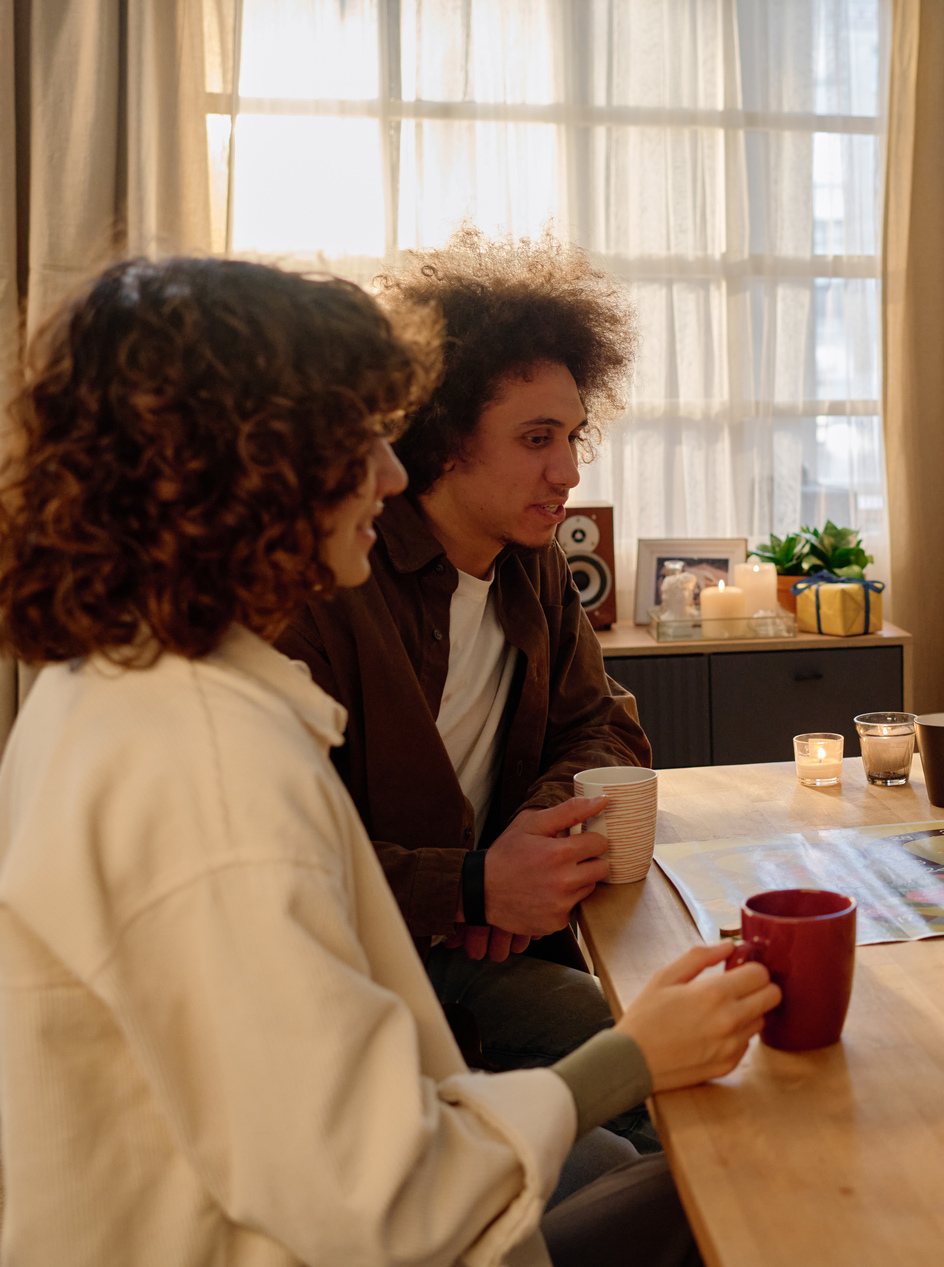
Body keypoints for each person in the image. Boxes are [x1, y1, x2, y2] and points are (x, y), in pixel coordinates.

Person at [0, 256, 778, 1264]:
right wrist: (630, 1054)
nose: (393, 471)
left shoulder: (120, 686)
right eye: (360, 439)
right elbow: (382, 1198)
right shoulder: (208, 766)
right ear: (247, 470)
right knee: (740, 1186)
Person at [277, 228, 653, 1144]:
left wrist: (537, 844)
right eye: (535, 438)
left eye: (571, 436)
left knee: (687, 1060)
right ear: (441, 437)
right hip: (354, 973)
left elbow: (603, 730)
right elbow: (292, 859)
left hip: (494, 942)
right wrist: (473, 887)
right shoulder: (327, 587)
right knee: (632, 1082)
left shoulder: (535, 568)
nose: (567, 471)